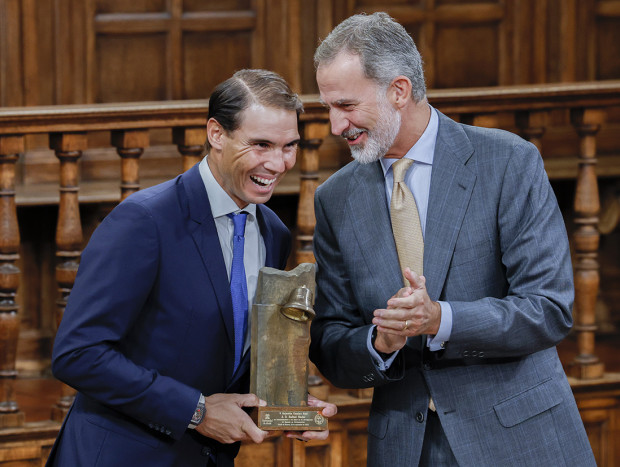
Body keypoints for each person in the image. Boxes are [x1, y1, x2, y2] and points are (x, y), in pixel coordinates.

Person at [309, 12, 595, 466]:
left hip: (519, 440)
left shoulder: (509, 162)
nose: (334, 125)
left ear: (398, 91)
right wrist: (380, 344)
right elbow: (329, 341)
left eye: (345, 105)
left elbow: (549, 309)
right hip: (406, 447)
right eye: (327, 107)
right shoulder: (335, 199)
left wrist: (439, 319)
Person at [47, 69, 336, 467]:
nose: (278, 162)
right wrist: (196, 411)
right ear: (216, 134)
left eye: (290, 146)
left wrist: (282, 405)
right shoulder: (144, 221)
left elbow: (225, 353)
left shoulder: (274, 232)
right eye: (261, 144)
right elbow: (77, 353)